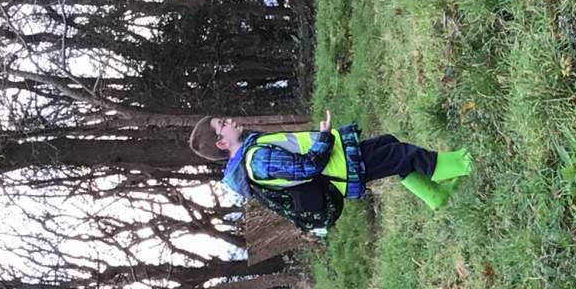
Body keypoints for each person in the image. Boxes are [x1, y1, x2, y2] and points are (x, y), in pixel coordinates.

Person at [189, 110, 471, 232]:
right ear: (222, 142)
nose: (229, 121)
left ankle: (435, 195)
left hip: (342, 160)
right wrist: (324, 137)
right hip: (343, 170)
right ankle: (462, 164)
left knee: (390, 145)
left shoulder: (253, 149)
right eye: (222, 124)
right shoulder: (257, 160)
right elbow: (307, 167)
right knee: (399, 155)